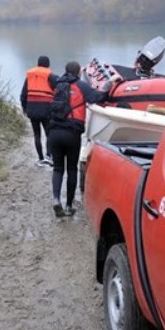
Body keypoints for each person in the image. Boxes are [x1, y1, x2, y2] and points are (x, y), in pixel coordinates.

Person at [48, 61, 121, 217]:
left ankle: (55, 199)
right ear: (78, 73)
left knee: (58, 168)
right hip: (71, 134)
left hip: (53, 133)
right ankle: (68, 206)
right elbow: (98, 97)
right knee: (72, 169)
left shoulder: (57, 84)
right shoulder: (81, 85)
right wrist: (110, 82)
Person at [20, 55, 59, 168]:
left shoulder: (30, 76)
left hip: (32, 110)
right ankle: (48, 156)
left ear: (38, 64)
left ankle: (40, 158)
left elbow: (23, 95)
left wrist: (24, 108)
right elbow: (60, 89)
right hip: (46, 110)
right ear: (48, 65)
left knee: (37, 135)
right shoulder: (50, 75)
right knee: (49, 134)